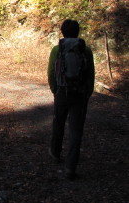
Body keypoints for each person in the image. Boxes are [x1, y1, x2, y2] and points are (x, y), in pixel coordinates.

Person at [47, 19, 95, 180]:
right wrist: (87, 93)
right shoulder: (85, 50)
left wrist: (55, 90)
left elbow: (51, 73)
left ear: (62, 32)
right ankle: (70, 168)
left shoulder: (56, 49)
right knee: (76, 131)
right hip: (79, 95)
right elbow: (90, 74)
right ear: (78, 32)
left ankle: (55, 153)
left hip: (62, 92)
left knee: (58, 123)